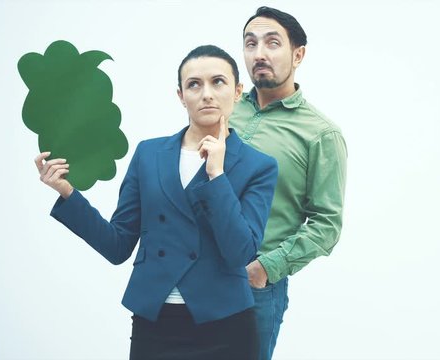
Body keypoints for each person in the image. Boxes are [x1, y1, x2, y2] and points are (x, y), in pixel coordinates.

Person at [34, 45, 278, 360]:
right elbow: (117, 245)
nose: (206, 94)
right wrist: (67, 193)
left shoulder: (259, 166)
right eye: (194, 84)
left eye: (218, 82)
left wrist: (216, 175)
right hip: (156, 323)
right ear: (180, 95)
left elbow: (240, 253)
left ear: (237, 91)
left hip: (226, 324)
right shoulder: (148, 154)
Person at [229, 6, 348, 359]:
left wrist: (266, 268)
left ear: (298, 54)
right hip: (192, 273)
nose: (259, 53)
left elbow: (327, 225)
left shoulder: (321, 134)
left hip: (253, 286)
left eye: (272, 43)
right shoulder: (223, 108)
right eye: (250, 44)